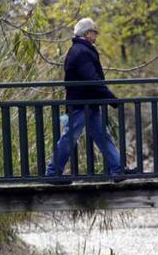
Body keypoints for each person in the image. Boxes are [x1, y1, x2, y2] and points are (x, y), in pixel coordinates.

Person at [46, 17, 132, 179]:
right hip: (82, 103)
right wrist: (111, 99)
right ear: (86, 33)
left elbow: (91, 80)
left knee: (101, 136)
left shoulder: (81, 50)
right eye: (94, 32)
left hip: (87, 103)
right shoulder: (81, 51)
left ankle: (117, 168)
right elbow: (92, 79)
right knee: (70, 137)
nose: (96, 36)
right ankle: (52, 172)